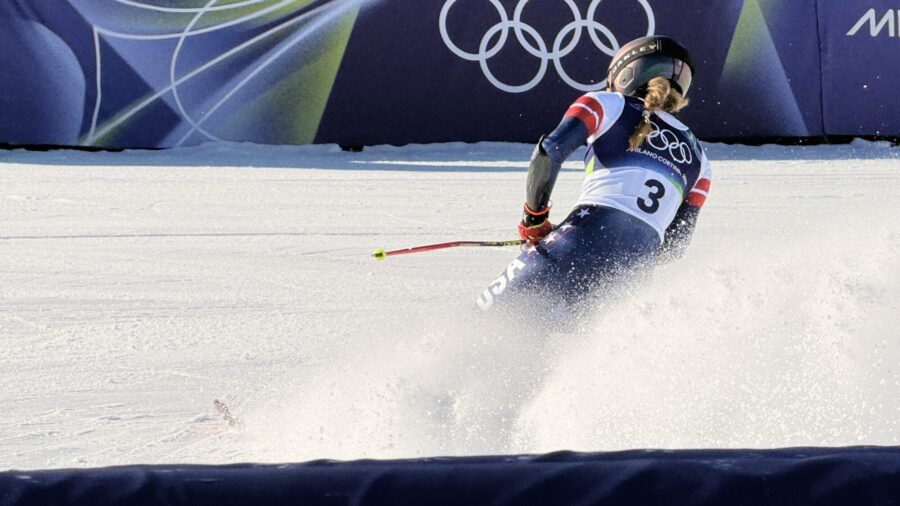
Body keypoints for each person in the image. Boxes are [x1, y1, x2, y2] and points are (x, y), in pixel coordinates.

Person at [477, 35, 711, 323]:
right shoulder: (701, 159)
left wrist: (534, 219)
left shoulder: (606, 102)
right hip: (634, 270)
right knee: (558, 350)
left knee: (484, 320)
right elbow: (674, 247)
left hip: (581, 236)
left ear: (625, 73)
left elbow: (548, 153)